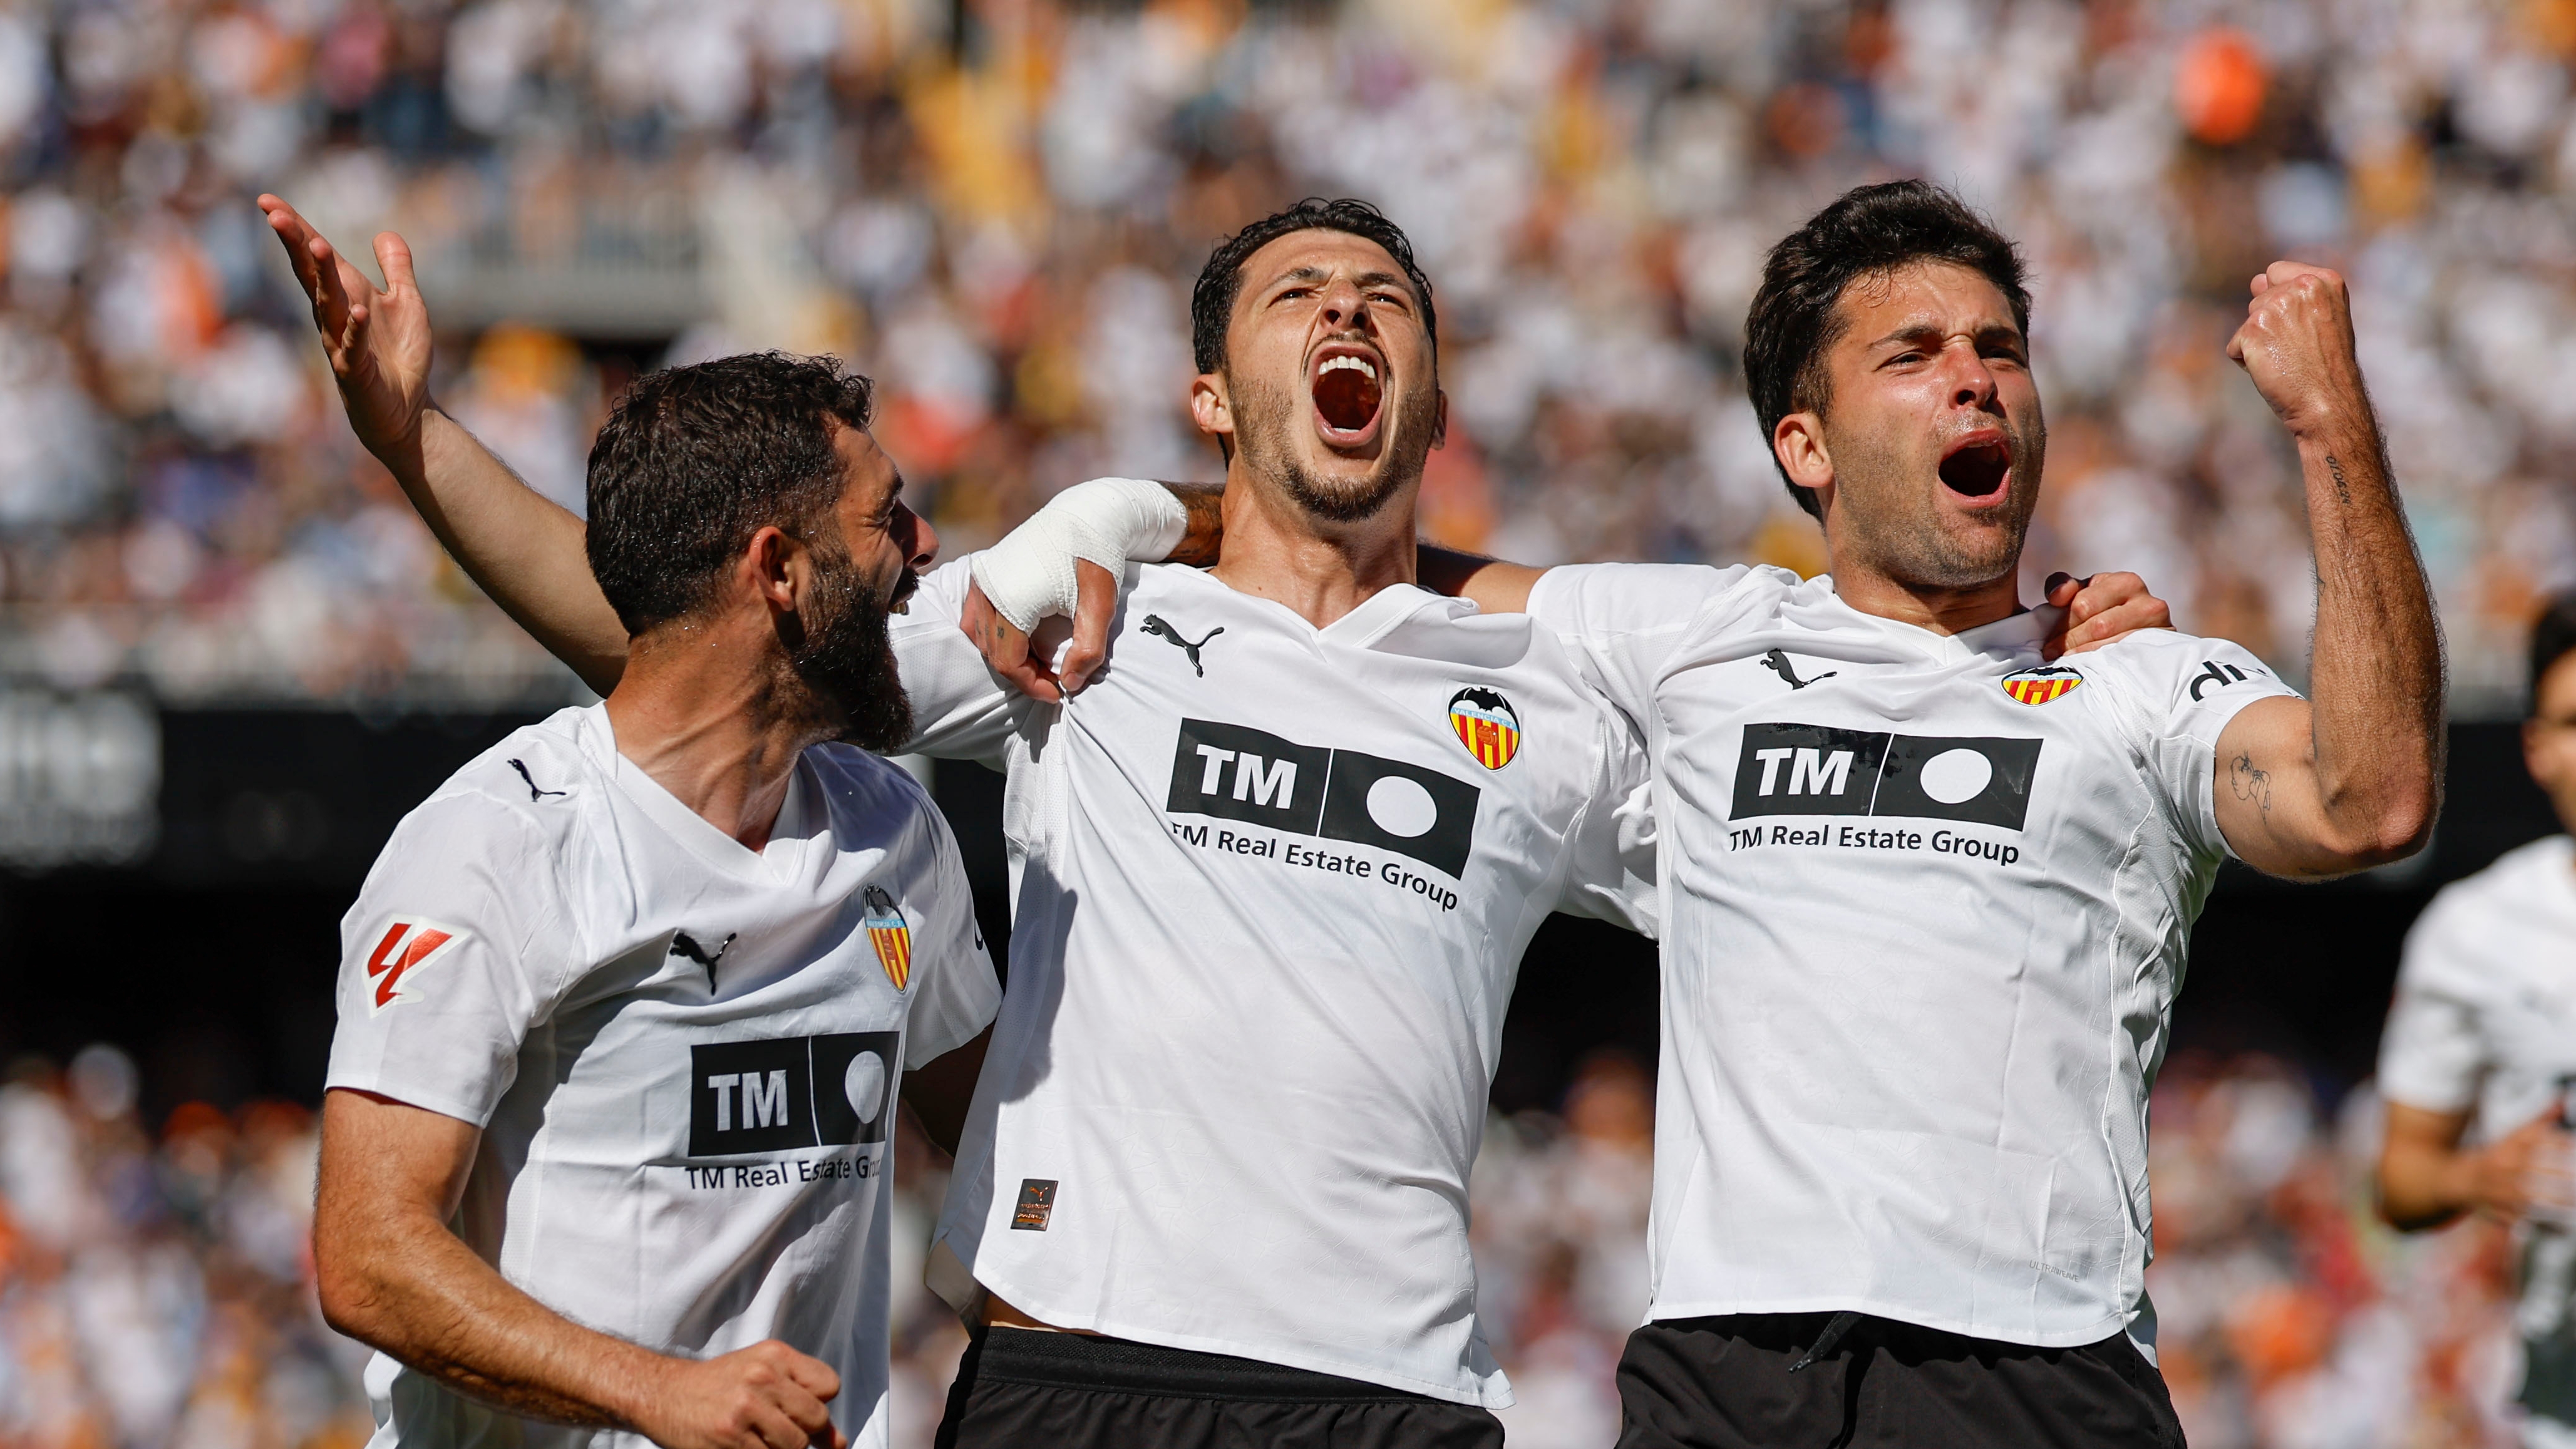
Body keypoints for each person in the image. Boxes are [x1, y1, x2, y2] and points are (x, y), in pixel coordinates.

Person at [259, 188, 2165, 1448]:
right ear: (1211, 388)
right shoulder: (1076, 618)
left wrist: (2026, 659)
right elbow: (694, 638)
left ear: (1426, 400)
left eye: (1385, 304)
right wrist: (413, 438)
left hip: (1394, 1396)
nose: (1349, 316)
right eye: (1298, 298)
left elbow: (1848, 846)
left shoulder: (1553, 700)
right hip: (1077, 1378)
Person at [993, 179, 2443, 1446]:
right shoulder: (1691, 638)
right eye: (1915, 354)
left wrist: (2327, 433)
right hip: (1725, 1379)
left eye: (1998, 350)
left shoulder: (2139, 678)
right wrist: (1113, 513)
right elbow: (1333, 532)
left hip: (2035, 1371)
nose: (1975, 382)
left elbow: (2366, 799)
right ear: (1804, 446)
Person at [286, 257, 1002, 1446]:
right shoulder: (499, 843)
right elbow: (368, 1258)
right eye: (885, 518)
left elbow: (1002, 1138)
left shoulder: (893, 831)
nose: (923, 548)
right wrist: (657, 1390)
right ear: (776, 570)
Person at [2378, 592, 2576, 1447]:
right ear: (2535, 747)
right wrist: (2477, 1177)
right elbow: (2399, 1180)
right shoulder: (2475, 930)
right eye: (2575, 721)